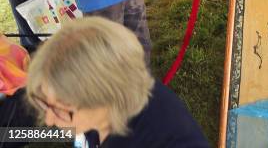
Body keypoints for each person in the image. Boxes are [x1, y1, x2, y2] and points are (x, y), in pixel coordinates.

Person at [26, 18, 211, 147]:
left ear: (102, 96)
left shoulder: (168, 138)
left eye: (60, 110)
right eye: (44, 103)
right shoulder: (106, 111)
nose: (49, 120)